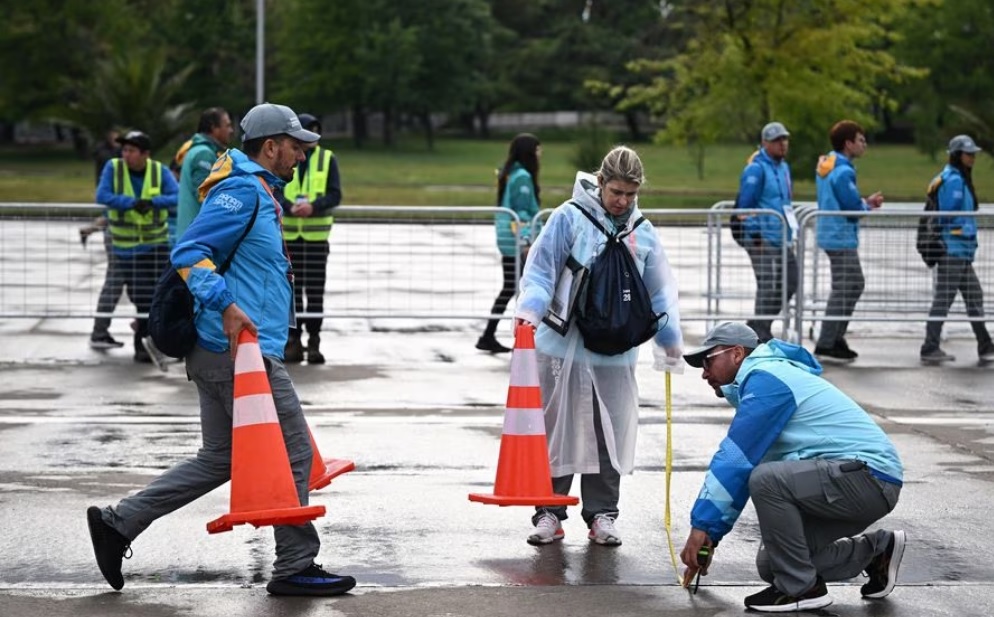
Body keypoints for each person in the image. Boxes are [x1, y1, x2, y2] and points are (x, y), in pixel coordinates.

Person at [85, 103, 356, 597]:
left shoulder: (259, 192)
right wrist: (227, 305)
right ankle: (296, 565)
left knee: (219, 458)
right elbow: (189, 252)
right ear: (270, 146)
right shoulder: (241, 191)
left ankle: (118, 523)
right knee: (293, 454)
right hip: (238, 354)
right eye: (295, 146)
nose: (300, 155)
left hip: (228, 354)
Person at [514, 145, 684, 547]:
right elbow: (541, 271)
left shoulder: (641, 229)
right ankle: (548, 511)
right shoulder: (568, 219)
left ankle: (603, 514)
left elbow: (659, 290)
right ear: (601, 182)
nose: (623, 202)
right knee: (556, 427)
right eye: (616, 193)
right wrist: (529, 312)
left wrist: (670, 338)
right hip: (561, 345)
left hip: (614, 350)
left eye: (630, 194)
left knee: (609, 430)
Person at [679, 322, 905, 612]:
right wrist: (711, 536)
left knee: (765, 480)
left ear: (736, 353)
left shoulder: (767, 380)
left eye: (708, 360)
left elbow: (735, 460)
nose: (703, 372)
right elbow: (743, 467)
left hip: (868, 478)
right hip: (860, 481)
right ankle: (875, 553)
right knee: (774, 563)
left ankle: (801, 589)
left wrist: (702, 526)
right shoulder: (766, 381)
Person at [92, 130, 178, 364]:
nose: (125, 154)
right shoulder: (114, 168)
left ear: (145, 154)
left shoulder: (158, 171)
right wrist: (131, 203)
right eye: (124, 150)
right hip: (126, 248)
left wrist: (151, 202)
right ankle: (142, 345)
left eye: (131, 150)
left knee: (160, 295)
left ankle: (153, 344)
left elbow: (176, 196)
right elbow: (102, 195)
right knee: (142, 296)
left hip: (156, 244)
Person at [919, 135, 994, 364]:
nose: (972, 158)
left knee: (974, 297)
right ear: (957, 155)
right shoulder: (953, 180)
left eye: (973, 154)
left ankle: (985, 345)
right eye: (968, 154)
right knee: (944, 299)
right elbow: (946, 214)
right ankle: (930, 346)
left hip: (961, 250)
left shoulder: (957, 178)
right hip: (953, 250)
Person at [813, 120, 883, 362]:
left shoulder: (828, 164)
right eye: (861, 140)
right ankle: (827, 343)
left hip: (834, 234)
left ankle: (835, 338)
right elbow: (851, 207)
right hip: (840, 236)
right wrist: (867, 204)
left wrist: (864, 202)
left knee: (852, 285)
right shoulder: (843, 170)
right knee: (846, 287)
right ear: (848, 143)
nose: (865, 145)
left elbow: (845, 201)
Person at [279, 113, 341, 364]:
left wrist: (313, 206)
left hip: (315, 238)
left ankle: (314, 341)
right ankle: (293, 341)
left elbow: (335, 195)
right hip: (291, 238)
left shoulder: (327, 159)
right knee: (290, 293)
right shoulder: (286, 158)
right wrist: (288, 205)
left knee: (315, 292)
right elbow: (276, 188)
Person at [476, 133, 542, 354]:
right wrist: (526, 241)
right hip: (517, 240)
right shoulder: (522, 176)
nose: (540, 154)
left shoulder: (510, 173)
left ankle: (488, 335)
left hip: (507, 238)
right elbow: (522, 212)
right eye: (538, 149)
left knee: (512, 287)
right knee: (522, 289)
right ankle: (517, 338)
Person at [735, 121, 798, 342]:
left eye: (784, 139)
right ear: (764, 143)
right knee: (768, 283)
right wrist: (754, 236)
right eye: (776, 140)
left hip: (782, 237)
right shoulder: (755, 168)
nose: (782, 144)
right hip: (762, 238)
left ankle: (759, 325)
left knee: (791, 280)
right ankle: (759, 331)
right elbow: (746, 206)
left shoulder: (784, 167)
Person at [85, 128, 127, 349]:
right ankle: (99, 331)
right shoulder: (110, 162)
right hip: (118, 234)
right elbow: (103, 195)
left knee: (139, 287)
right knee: (114, 282)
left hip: (133, 236)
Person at [175, 107, 234, 240]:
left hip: (192, 237)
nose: (231, 131)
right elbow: (206, 196)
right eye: (228, 125)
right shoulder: (204, 154)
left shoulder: (198, 150)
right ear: (214, 128)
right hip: (196, 240)